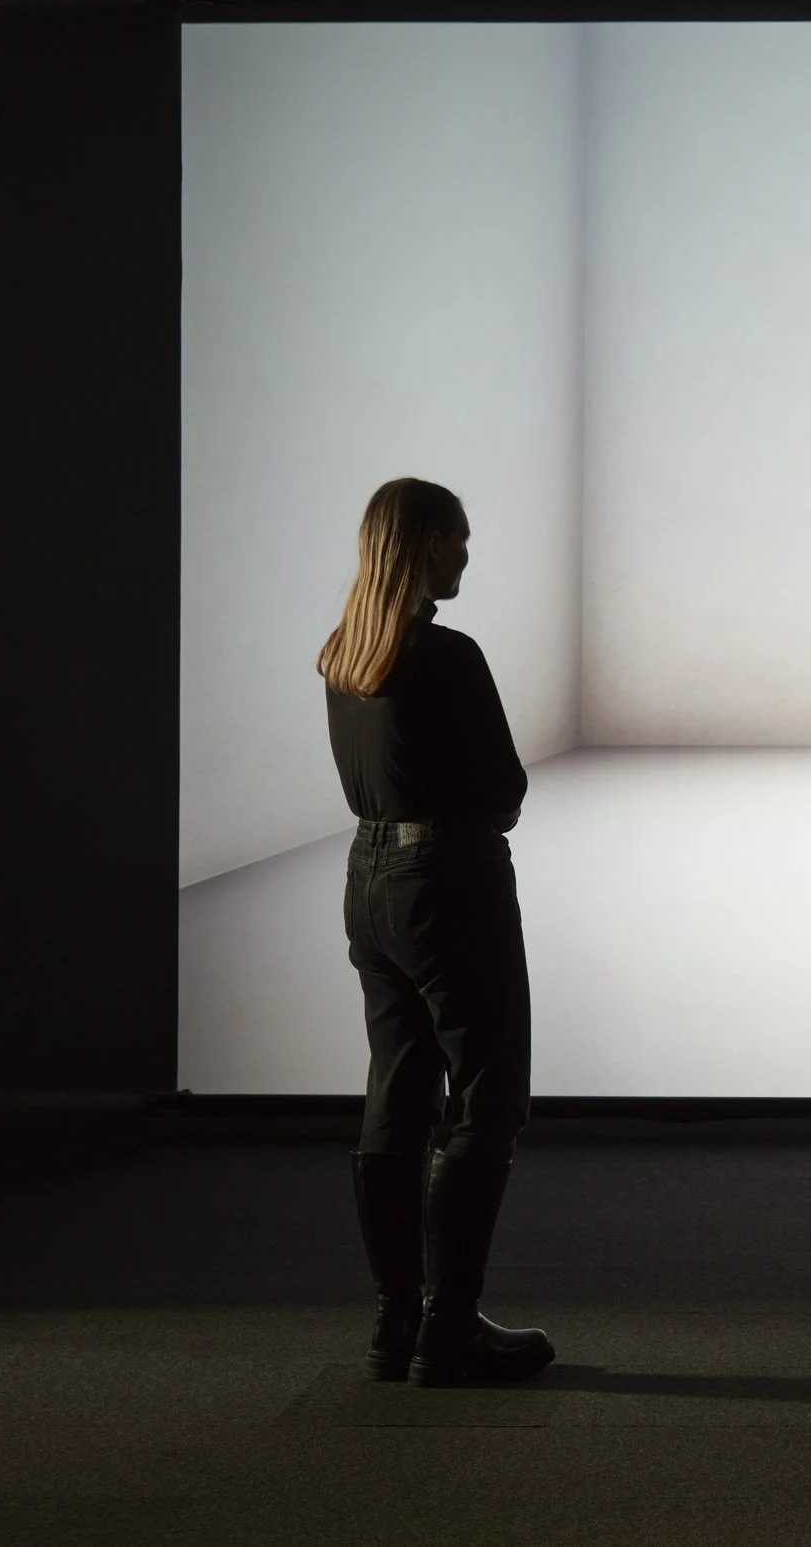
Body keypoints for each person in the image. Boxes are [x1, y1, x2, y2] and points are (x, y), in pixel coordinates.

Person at [319, 478, 553, 1388]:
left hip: (369, 882)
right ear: (420, 546)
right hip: (447, 882)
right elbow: (505, 793)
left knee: (398, 1093)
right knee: (487, 1100)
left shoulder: (344, 655)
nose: (465, 556)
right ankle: (448, 1328)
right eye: (456, 540)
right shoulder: (448, 656)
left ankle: (395, 1325)